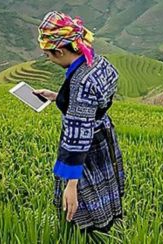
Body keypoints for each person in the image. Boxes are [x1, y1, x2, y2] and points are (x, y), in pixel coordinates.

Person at [34, 11, 125, 236]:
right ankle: (105, 227)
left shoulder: (80, 81)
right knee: (106, 187)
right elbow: (94, 102)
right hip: (104, 136)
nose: (50, 60)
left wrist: (71, 185)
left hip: (87, 149)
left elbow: (77, 139)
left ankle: (86, 233)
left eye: (49, 56)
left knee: (82, 199)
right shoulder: (96, 61)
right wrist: (59, 96)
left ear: (61, 51)